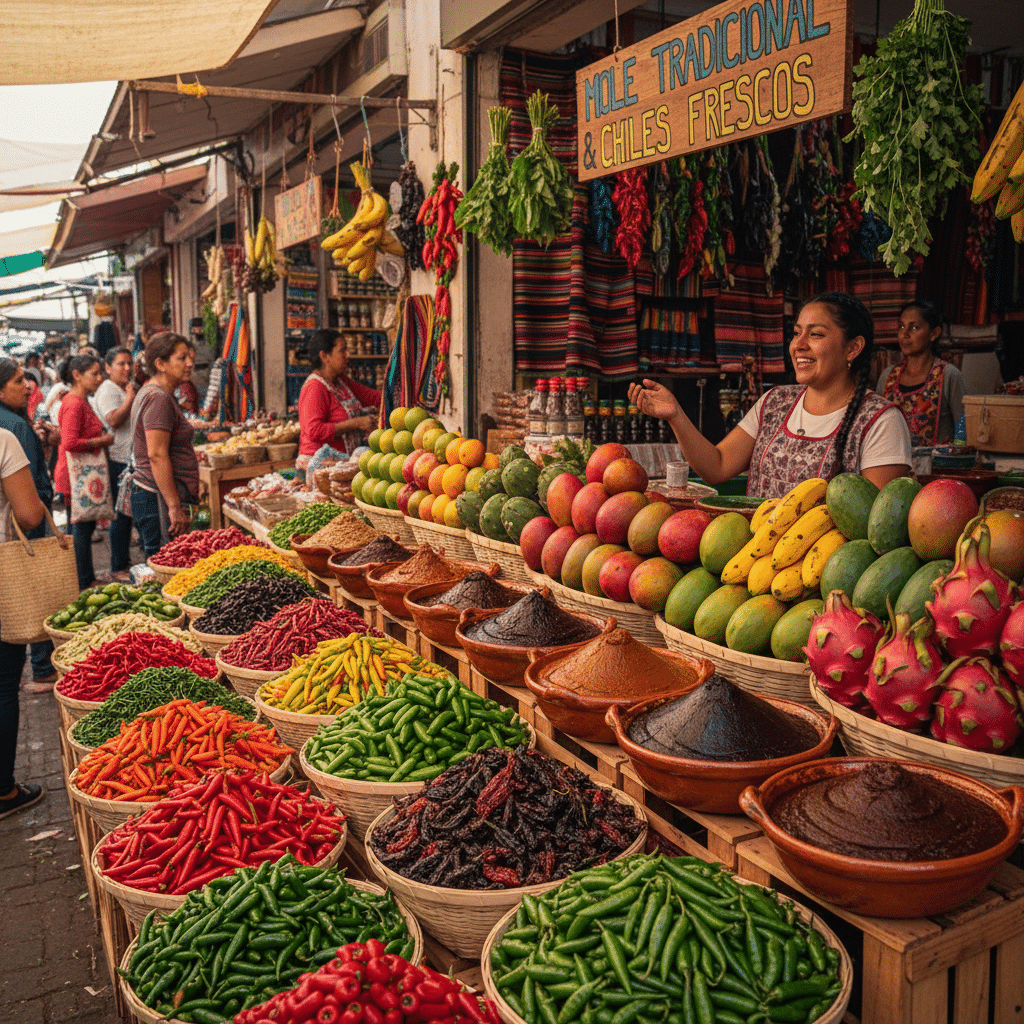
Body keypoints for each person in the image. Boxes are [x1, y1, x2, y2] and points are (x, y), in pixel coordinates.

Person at [629, 292, 912, 499]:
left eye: (816, 335)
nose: (798, 345)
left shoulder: (880, 422)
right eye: (797, 333)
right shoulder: (775, 402)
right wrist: (676, 415)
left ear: (853, 348)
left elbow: (873, 524)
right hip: (754, 563)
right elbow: (716, 467)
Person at [0, 426, 69, 818]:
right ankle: (4, 791)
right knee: (3, 684)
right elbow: (28, 514)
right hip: (4, 580)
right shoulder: (4, 440)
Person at [0, 358, 57, 690]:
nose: (28, 386)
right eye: (19, 380)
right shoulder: (12, 430)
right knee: (6, 686)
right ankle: (40, 666)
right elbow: (29, 509)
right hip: (14, 543)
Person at [130, 332, 199, 556]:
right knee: (166, 563)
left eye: (189, 357)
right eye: (182, 358)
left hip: (154, 496)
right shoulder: (158, 397)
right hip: (157, 500)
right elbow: (157, 455)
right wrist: (173, 506)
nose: (190, 363)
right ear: (160, 364)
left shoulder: (155, 393)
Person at [54, 354, 114, 590]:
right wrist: (101, 441)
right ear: (77, 376)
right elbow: (69, 442)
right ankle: (82, 580)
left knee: (83, 527)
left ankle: (85, 577)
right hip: (74, 476)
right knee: (80, 529)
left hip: (79, 474)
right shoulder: (75, 403)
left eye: (101, 373)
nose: (100, 378)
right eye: (95, 374)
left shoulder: (79, 400)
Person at [876, 300, 966, 445]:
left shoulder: (948, 375)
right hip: (894, 465)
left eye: (914, 328)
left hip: (937, 466)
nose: (904, 334)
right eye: (901, 326)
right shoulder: (888, 377)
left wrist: (955, 461)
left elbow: (962, 427)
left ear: (934, 333)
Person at [297, 329, 380, 467]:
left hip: (342, 464)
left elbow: (373, 397)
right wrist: (356, 423)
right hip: (319, 468)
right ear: (324, 356)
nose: (348, 355)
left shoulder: (341, 381)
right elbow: (314, 431)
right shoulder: (314, 387)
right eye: (342, 351)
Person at [92, 347, 136, 580]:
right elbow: (113, 419)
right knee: (121, 513)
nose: (127, 368)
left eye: (130, 363)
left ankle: (123, 562)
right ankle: (118, 565)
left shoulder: (116, 387)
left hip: (125, 457)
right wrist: (130, 396)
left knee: (126, 512)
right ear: (108, 368)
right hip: (118, 459)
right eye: (121, 364)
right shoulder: (109, 389)